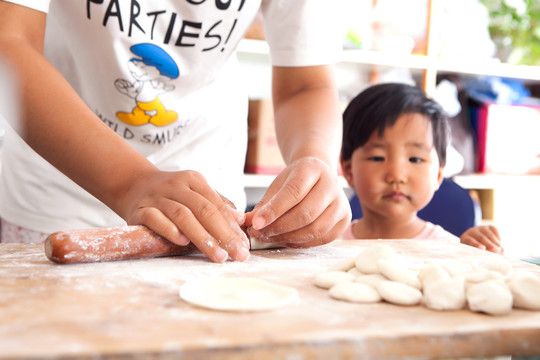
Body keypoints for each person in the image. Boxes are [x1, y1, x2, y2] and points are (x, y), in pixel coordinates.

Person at [0, 1, 351, 262]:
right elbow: (9, 43)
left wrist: (314, 158)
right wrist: (130, 180)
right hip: (58, 188)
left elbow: (305, 83)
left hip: (207, 203)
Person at [340, 83, 503, 254]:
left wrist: (480, 255)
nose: (397, 176)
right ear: (348, 170)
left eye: (415, 159)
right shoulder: (331, 246)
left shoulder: (452, 251)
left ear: (439, 174)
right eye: (378, 158)